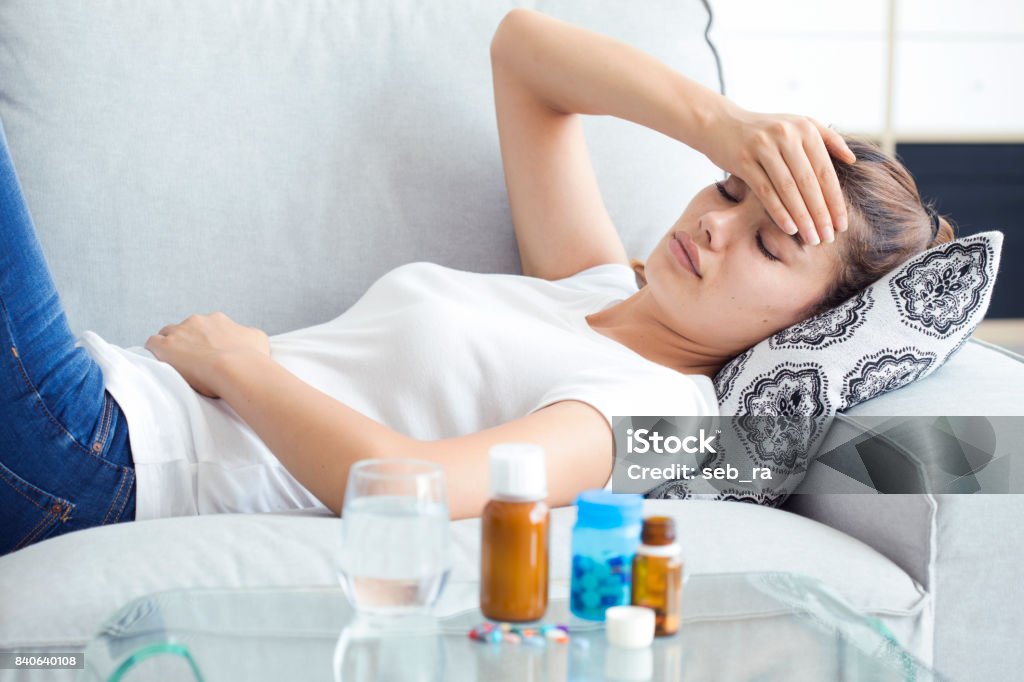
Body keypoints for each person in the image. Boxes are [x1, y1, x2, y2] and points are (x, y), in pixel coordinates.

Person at [0, 8, 954, 556]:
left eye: (769, 244)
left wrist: (243, 365)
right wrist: (723, 124)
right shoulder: (596, 286)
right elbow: (524, 54)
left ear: (806, 326)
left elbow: (410, 490)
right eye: (729, 190)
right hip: (101, 408)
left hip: (108, 465)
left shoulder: (661, 413)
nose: (712, 220)